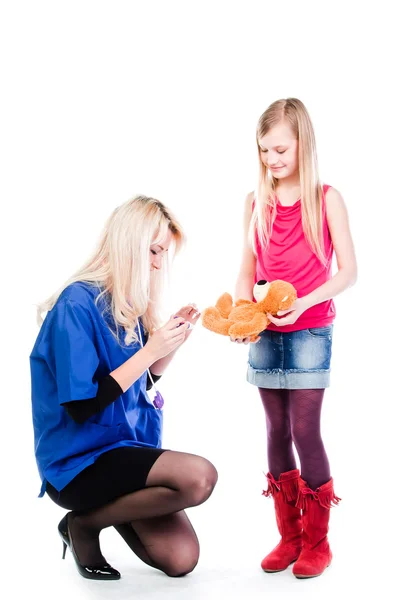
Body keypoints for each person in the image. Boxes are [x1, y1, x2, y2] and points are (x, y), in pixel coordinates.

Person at [30, 195, 218, 581]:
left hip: (120, 450)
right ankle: (84, 525)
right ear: (128, 244)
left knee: (181, 558)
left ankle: (85, 522)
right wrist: (151, 349)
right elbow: (83, 406)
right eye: (153, 250)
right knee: (199, 477)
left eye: (162, 254)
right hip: (77, 465)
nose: (156, 262)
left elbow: (139, 382)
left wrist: (166, 349)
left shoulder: (129, 304)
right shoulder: (76, 304)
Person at [232, 98, 357, 579]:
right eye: (264, 152)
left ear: (303, 143)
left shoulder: (326, 199)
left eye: (280, 149)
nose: (272, 160)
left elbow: (348, 271)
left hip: (310, 329)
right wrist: (245, 314)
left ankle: (318, 542)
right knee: (275, 432)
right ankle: (289, 536)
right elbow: (246, 272)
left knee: (305, 430)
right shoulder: (254, 202)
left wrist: (303, 303)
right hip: (265, 332)